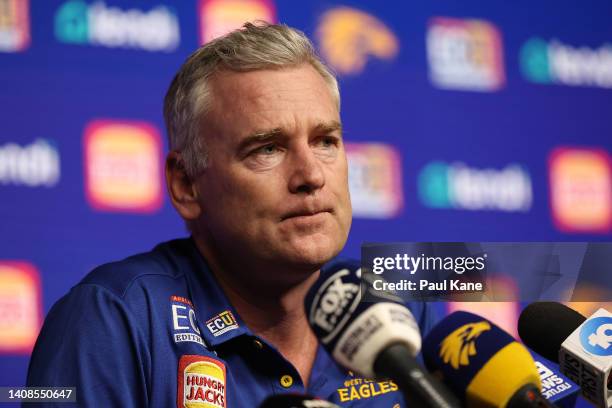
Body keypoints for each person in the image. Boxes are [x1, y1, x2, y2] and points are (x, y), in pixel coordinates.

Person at [27, 22, 435, 407]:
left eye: (325, 141)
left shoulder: (395, 308)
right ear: (186, 185)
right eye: (267, 149)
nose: (310, 175)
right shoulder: (109, 318)